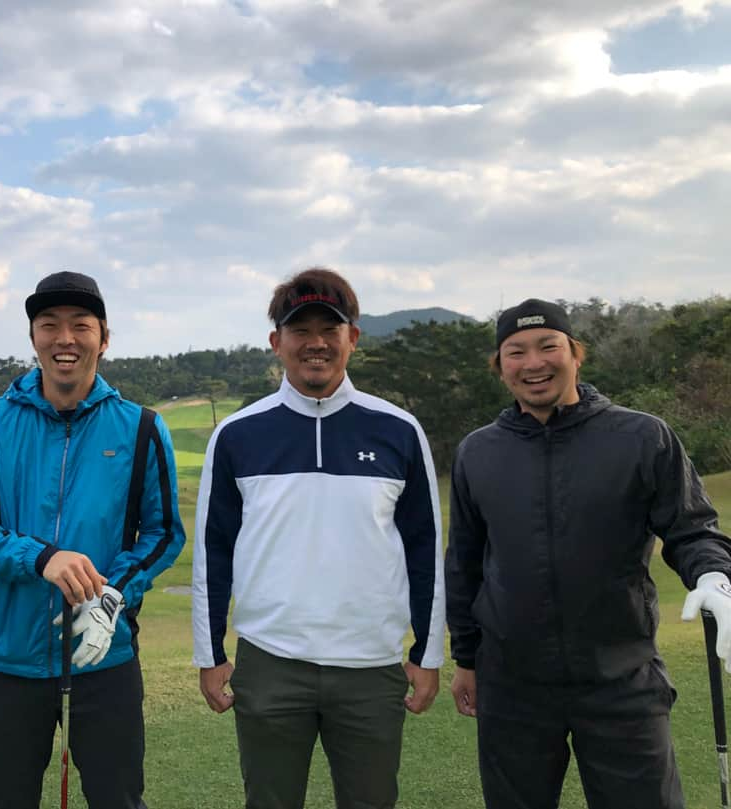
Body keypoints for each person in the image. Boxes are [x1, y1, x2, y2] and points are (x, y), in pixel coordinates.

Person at [445, 298, 731, 809]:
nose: (533, 363)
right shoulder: (478, 451)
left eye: (548, 346)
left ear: (576, 353)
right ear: (500, 366)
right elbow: (465, 563)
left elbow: (691, 530)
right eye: (516, 352)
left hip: (622, 680)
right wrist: (466, 658)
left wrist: (714, 576)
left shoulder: (642, 437)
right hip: (513, 687)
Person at [192, 267, 445, 809]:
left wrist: (428, 652)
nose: (315, 344)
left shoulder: (399, 430)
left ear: (352, 338)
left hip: (371, 666)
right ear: (275, 342)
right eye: (299, 329)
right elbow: (214, 553)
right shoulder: (237, 434)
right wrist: (209, 652)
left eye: (329, 330)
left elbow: (425, 551)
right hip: (269, 662)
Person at [0, 270, 186, 809]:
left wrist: (110, 592)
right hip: (5, 660)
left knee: (117, 799)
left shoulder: (142, 427)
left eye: (81, 325)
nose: (65, 338)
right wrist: (43, 558)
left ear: (104, 337)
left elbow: (163, 531)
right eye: (49, 325)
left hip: (104, 657)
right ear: (34, 338)